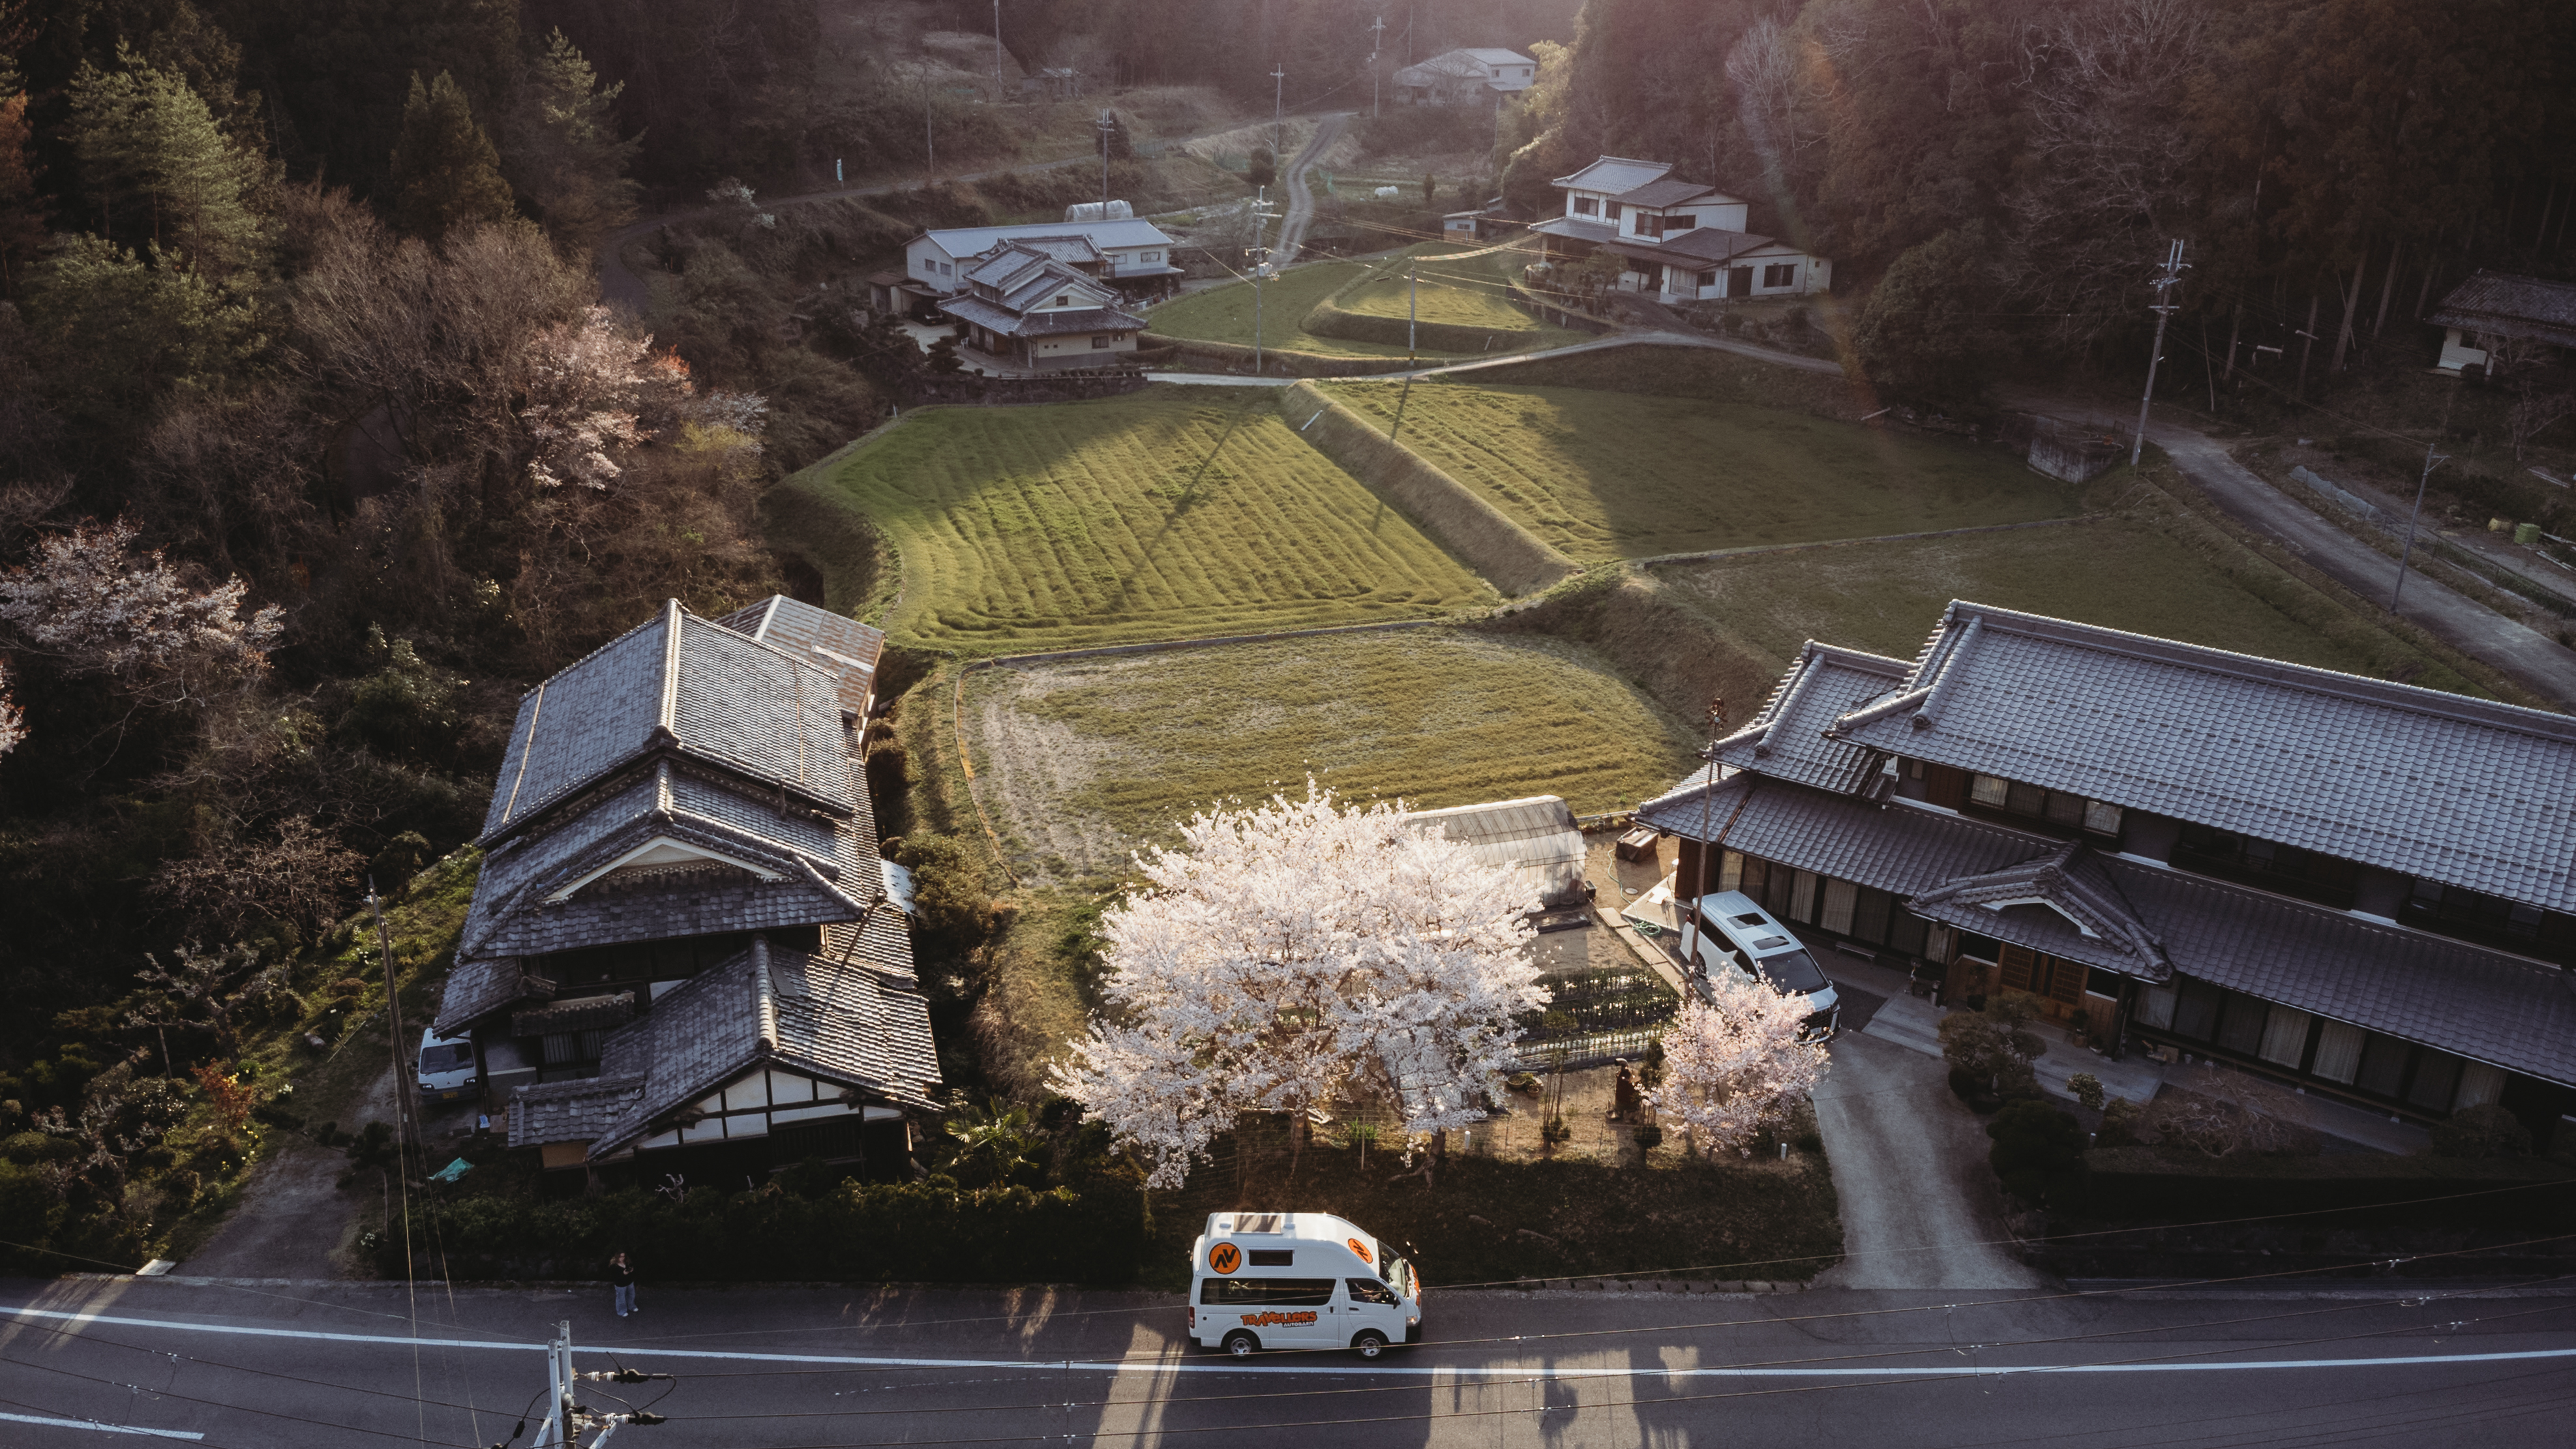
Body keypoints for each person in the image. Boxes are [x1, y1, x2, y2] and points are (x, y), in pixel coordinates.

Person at [610, 1251, 638, 1318]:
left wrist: (631, 1270)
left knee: (632, 1295)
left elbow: (631, 1270)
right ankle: (621, 1311)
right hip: (621, 1284)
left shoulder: (627, 1262)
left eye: (624, 1256)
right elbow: (615, 1277)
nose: (623, 1258)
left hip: (629, 1282)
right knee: (621, 1298)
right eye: (621, 1257)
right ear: (617, 1257)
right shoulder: (614, 1266)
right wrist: (624, 1273)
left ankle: (631, 1306)